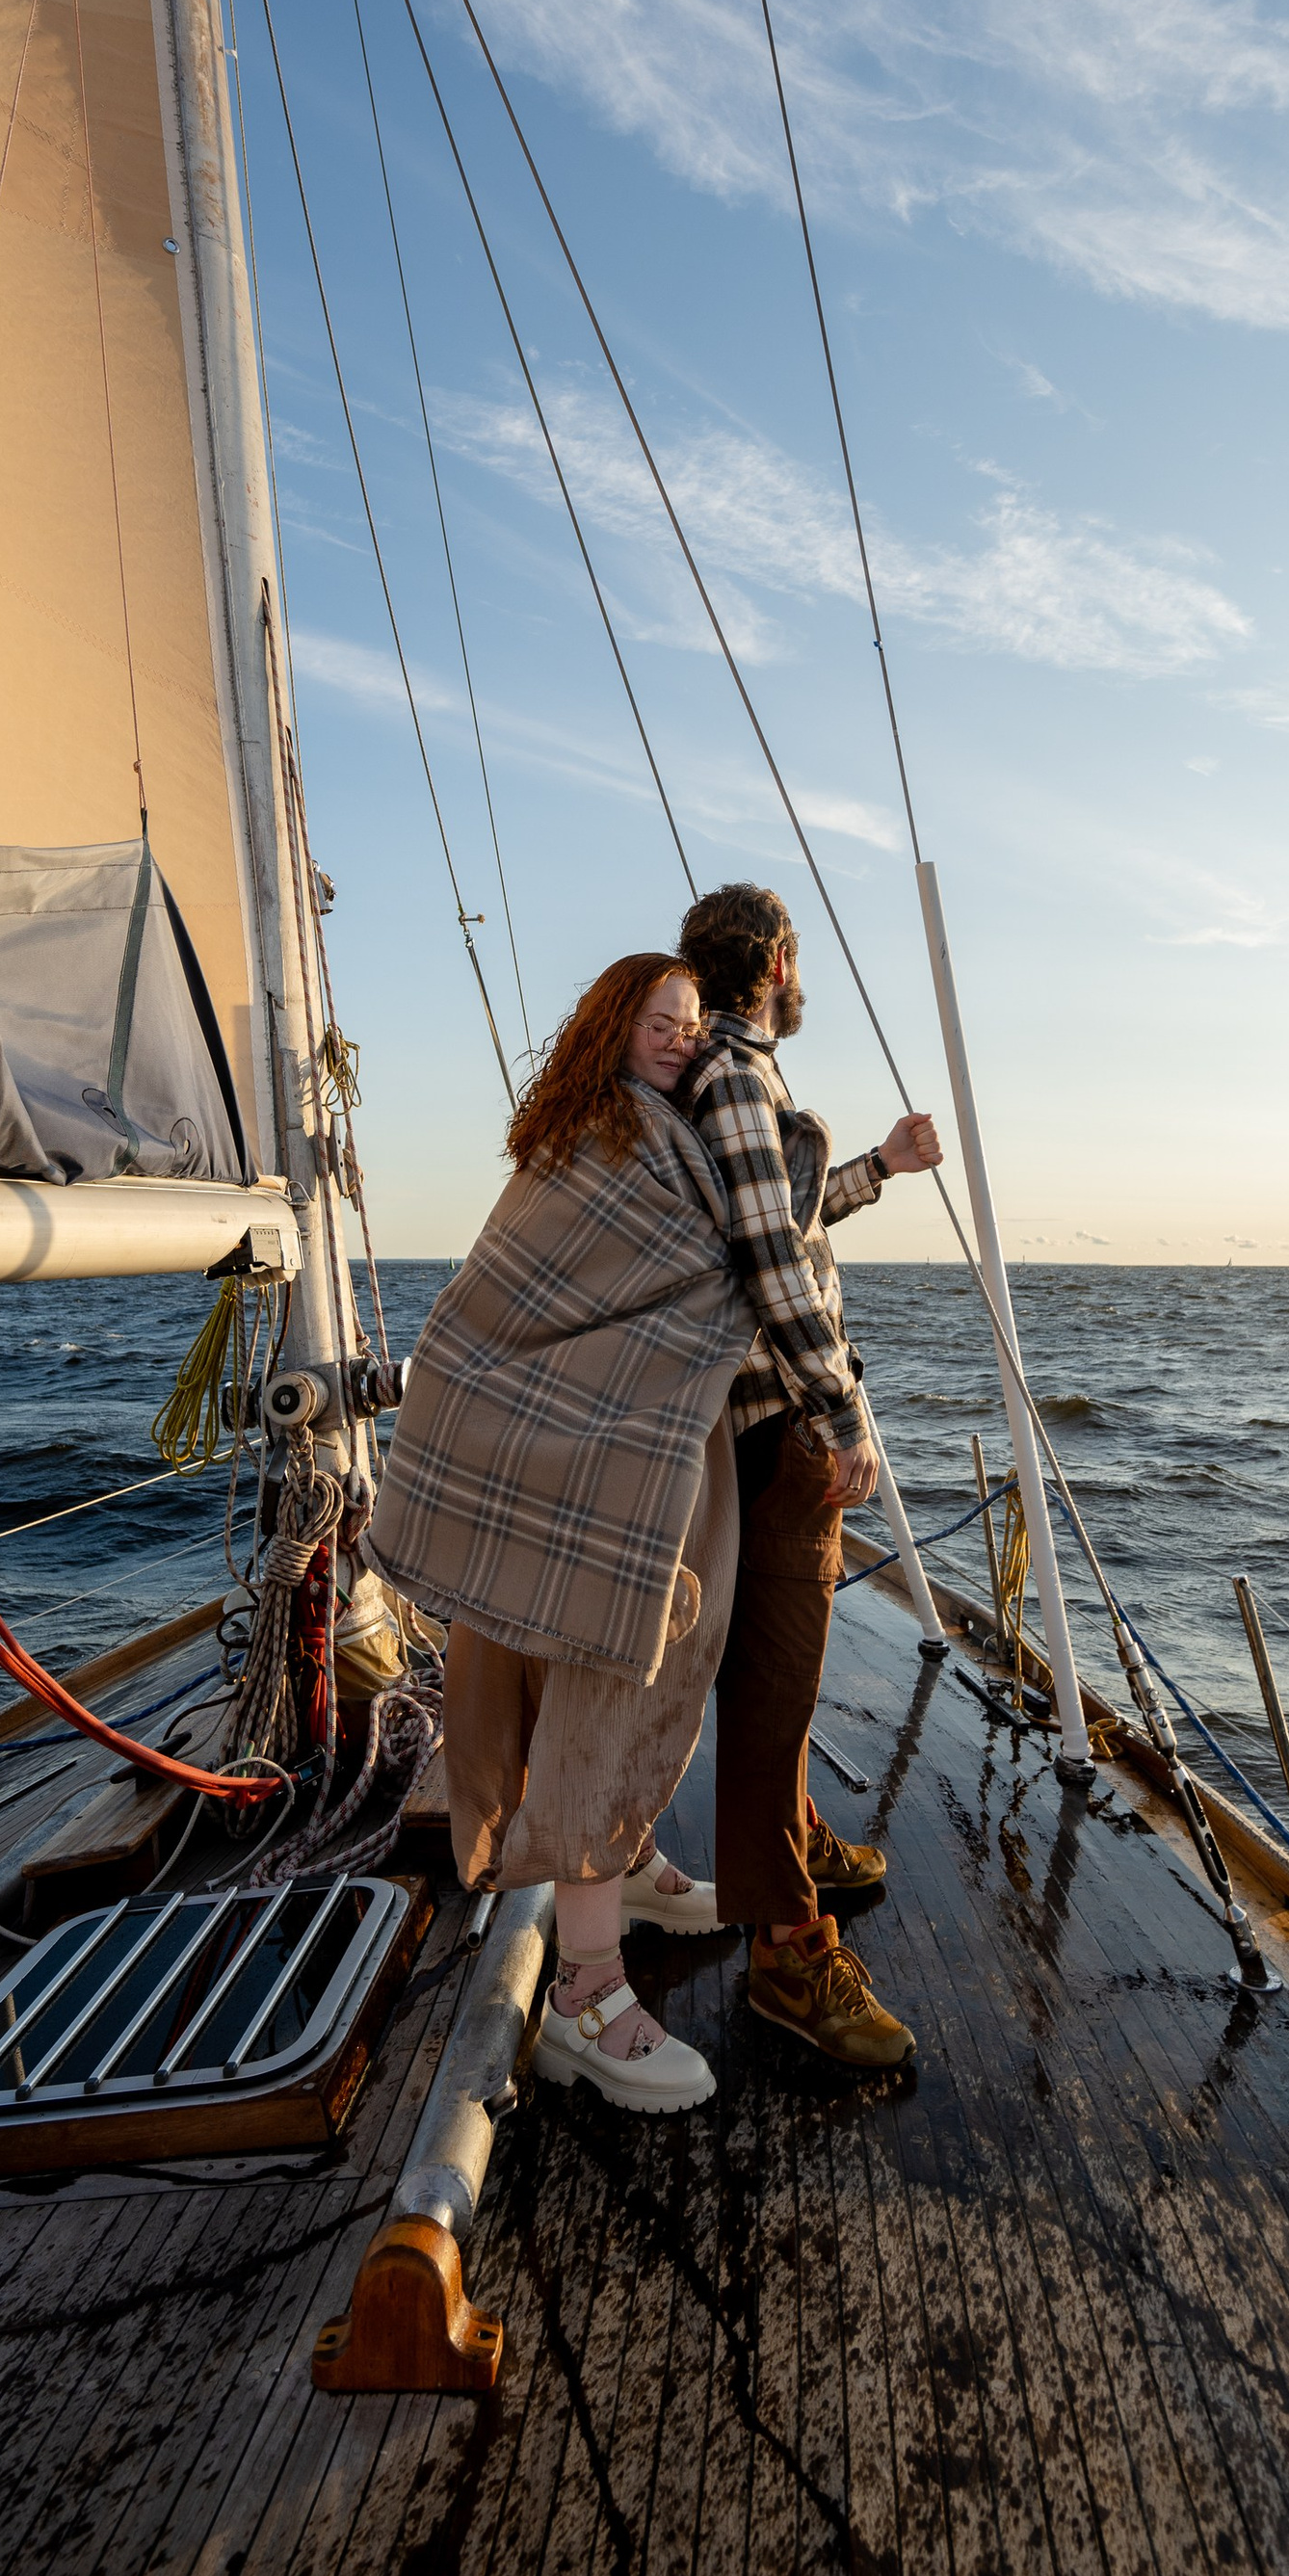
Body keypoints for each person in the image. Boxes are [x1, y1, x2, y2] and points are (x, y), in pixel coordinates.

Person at [363, 954, 754, 2114]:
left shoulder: (661, 1139)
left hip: (640, 1457)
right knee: (602, 1690)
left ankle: (625, 1865)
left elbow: (722, 1255)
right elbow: (501, 1306)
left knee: (644, 1671)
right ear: (609, 1027)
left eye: (691, 1025)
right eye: (658, 1021)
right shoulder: (590, 1144)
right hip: (593, 1476)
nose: (680, 1040)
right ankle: (585, 1994)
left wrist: (873, 1170)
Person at [677, 881, 943, 2071]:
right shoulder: (738, 1074)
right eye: (799, 962)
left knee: (780, 1671)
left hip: (758, 1413)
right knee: (777, 1675)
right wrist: (837, 1415)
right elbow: (771, 1259)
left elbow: (775, 1214)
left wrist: (877, 1166)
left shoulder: (737, 1081)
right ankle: (788, 1949)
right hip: (773, 1418)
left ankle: (793, 1831)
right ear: (777, 959)